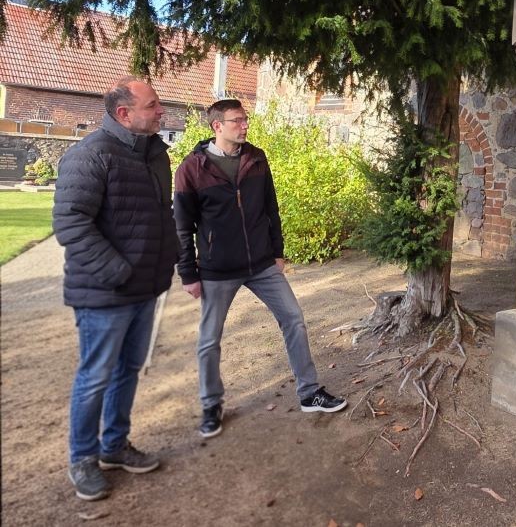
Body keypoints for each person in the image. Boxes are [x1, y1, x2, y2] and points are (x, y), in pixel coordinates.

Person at [173, 98, 346, 438]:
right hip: (217, 269)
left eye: (245, 119)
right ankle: (211, 405)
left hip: (262, 264)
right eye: (237, 120)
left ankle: (310, 392)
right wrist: (188, 272)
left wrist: (278, 252)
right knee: (209, 339)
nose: (244, 125)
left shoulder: (256, 158)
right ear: (217, 126)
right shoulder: (191, 168)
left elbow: (271, 207)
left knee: (294, 319)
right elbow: (182, 226)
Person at [53, 77, 179, 502]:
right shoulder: (90, 155)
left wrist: (169, 258)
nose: (161, 111)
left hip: (145, 288)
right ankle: (83, 459)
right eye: (153, 105)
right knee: (95, 377)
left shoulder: (155, 154)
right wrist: (118, 271)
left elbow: (160, 215)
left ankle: (114, 446)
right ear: (124, 113)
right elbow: (71, 224)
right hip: (105, 294)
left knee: (128, 371)